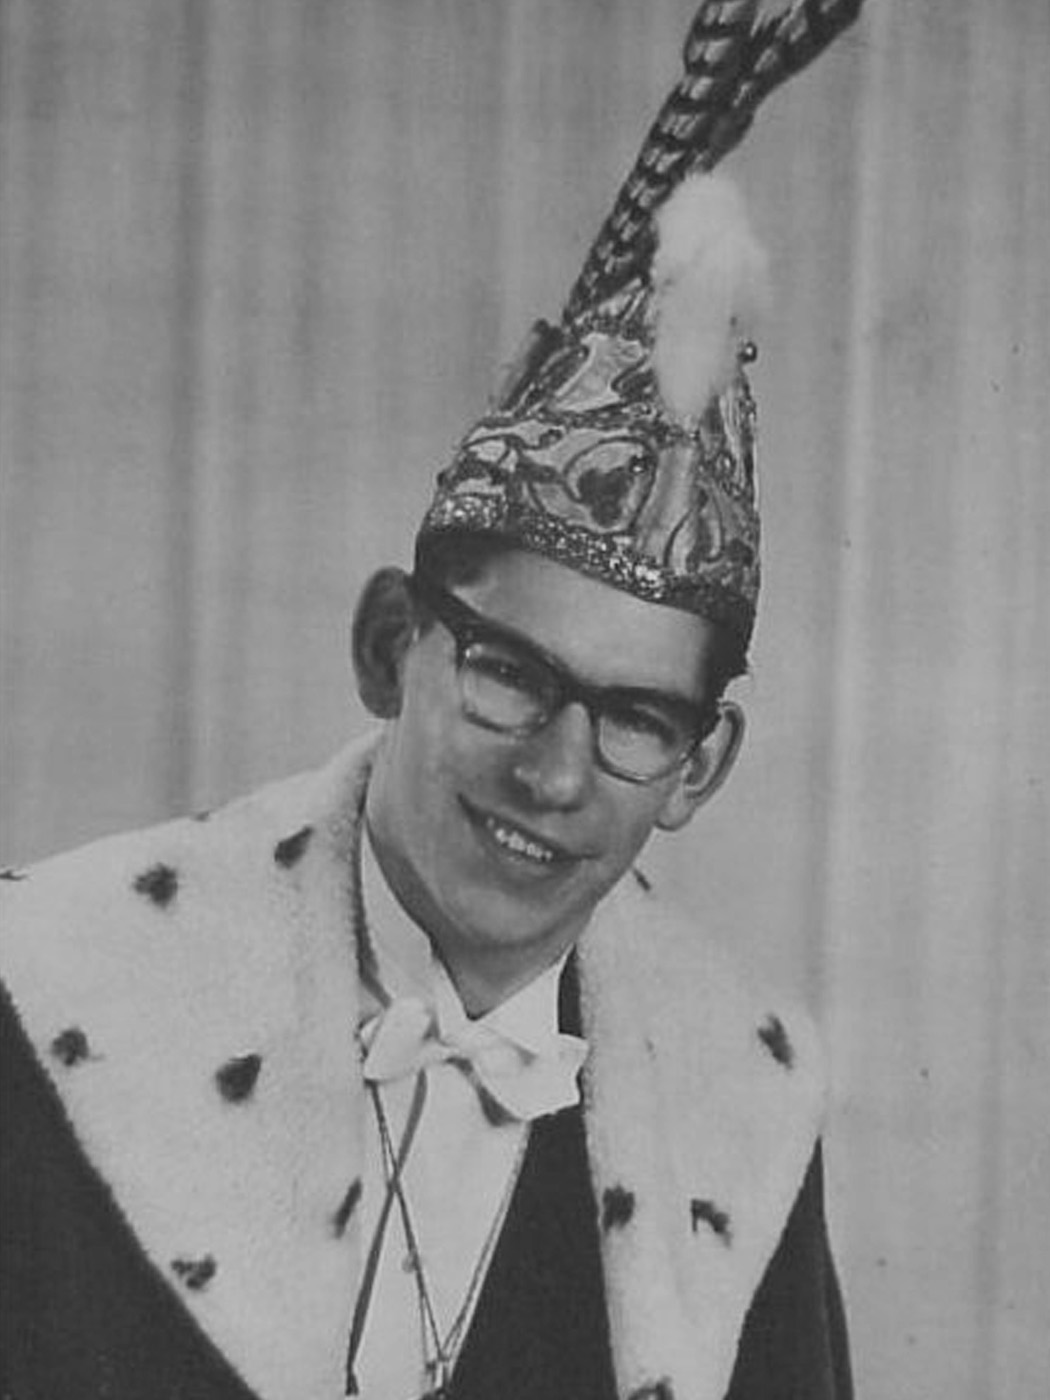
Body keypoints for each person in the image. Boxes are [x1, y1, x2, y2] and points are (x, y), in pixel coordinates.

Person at [0, 3, 863, 1398]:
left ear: (699, 769)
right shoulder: (51, 987)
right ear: (390, 643)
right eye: (510, 674)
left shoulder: (744, 1108)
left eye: (635, 719)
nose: (555, 774)